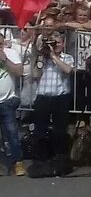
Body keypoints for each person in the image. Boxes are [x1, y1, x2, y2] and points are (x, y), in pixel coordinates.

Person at [28, 30, 74, 169]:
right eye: (53, 43)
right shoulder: (43, 58)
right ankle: (40, 160)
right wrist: (40, 56)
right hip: (43, 97)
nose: (56, 46)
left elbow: (68, 70)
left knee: (60, 131)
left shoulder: (67, 57)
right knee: (40, 130)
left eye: (58, 43)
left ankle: (59, 159)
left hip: (61, 97)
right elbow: (35, 74)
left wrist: (54, 56)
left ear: (63, 44)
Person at [1, 30, 27, 175]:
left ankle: (18, 162)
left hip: (7, 100)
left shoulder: (11, 53)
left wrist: (4, 59)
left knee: (12, 133)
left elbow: (19, 71)